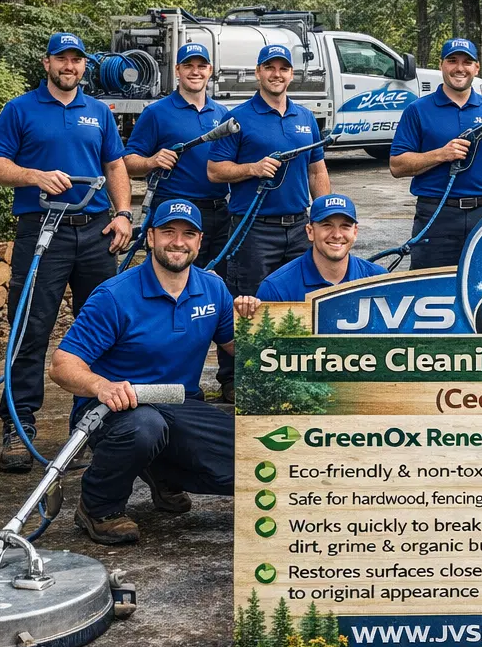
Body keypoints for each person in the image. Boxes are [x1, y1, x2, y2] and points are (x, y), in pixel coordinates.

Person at [0, 31, 132, 472]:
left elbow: (115, 165)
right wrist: (34, 176)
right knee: (30, 329)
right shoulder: (20, 109)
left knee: (103, 331)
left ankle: (89, 423)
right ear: (47, 63)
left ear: (85, 66)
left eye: (77, 60)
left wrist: (123, 213)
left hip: (95, 233)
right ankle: (19, 425)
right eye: (62, 59)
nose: (70, 67)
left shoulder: (99, 112)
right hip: (41, 231)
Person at [48, 199, 235, 545]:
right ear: (150, 237)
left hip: (178, 405)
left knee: (251, 462)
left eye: (188, 234)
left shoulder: (213, 289)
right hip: (114, 411)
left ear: (199, 241)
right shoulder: (115, 296)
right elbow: (62, 365)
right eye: (168, 232)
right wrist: (102, 386)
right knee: (145, 427)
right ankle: (98, 507)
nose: (178, 242)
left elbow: (238, 349)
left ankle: (161, 471)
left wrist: (257, 319)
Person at [124, 41, 237, 401]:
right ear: (177, 70)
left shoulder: (223, 114)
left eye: (202, 65)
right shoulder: (157, 113)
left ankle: (230, 377)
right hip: (175, 216)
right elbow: (127, 161)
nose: (196, 71)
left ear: (210, 71)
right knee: (169, 292)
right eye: (189, 65)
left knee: (221, 292)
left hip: (220, 212)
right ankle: (166, 375)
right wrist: (152, 160)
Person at [206, 43, 330, 299]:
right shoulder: (237, 118)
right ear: (258, 72)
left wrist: (323, 216)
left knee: (302, 300)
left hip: (299, 228)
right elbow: (215, 171)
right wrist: (253, 168)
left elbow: (316, 172)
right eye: (270, 68)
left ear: (292, 75)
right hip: (254, 231)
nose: (277, 74)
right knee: (251, 304)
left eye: (283, 69)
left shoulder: (305, 117)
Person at [389, 38, 482, 269]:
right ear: (441, 65)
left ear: (476, 68)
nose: (459, 68)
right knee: (429, 284)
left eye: (467, 62)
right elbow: (397, 166)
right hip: (437, 214)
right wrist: (442, 154)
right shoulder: (418, 110)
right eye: (452, 61)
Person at [236, 194, 387, 307]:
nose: (336, 235)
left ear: (355, 232)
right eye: (327, 225)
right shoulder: (277, 287)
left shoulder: (379, 280)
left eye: (345, 226)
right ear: (310, 231)